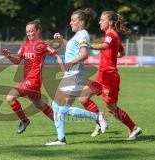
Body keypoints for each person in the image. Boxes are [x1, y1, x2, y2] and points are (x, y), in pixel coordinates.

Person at [45, 8, 107, 146]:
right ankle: (61, 139)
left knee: (63, 109)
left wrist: (70, 63)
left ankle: (97, 116)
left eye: (73, 20)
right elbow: (74, 48)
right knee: (56, 106)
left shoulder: (83, 34)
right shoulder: (78, 35)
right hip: (70, 73)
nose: (70, 22)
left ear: (81, 22)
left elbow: (84, 54)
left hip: (75, 74)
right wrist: (62, 40)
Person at [81, 11, 142, 140]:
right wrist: (112, 56)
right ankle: (99, 119)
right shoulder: (113, 36)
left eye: (102, 20)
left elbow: (105, 45)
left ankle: (133, 128)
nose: (99, 22)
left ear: (110, 22)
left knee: (111, 107)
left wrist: (88, 45)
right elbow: (122, 52)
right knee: (84, 97)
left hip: (109, 77)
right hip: (102, 76)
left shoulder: (111, 35)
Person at [1, 19, 63, 134]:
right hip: (29, 82)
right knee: (41, 105)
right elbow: (17, 61)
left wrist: (63, 69)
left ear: (38, 31)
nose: (29, 33)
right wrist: (8, 56)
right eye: (27, 31)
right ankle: (60, 126)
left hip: (33, 82)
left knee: (10, 97)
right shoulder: (25, 46)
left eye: (31, 31)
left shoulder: (41, 45)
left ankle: (24, 120)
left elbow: (56, 54)